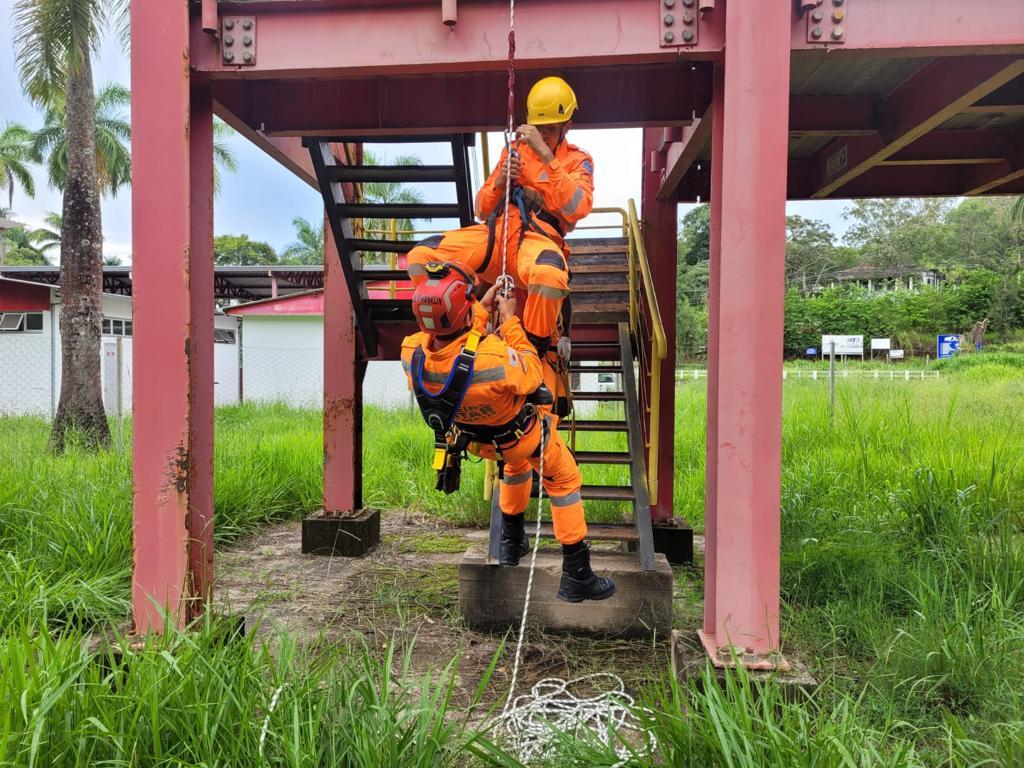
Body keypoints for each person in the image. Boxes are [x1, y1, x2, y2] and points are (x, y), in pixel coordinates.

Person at [400, 261, 615, 603]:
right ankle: (577, 573)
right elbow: (530, 371)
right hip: (521, 437)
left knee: (514, 469)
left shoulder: (411, 353)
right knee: (563, 479)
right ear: (462, 311)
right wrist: (511, 319)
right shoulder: (494, 358)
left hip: (475, 442)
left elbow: (451, 347)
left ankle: (511, 542)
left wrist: (479, 312)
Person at [405, 76, 594, 356]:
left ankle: (533, 351)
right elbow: (481, 209)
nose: (543, 136)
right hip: (496, 238)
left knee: (549, 275)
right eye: (538, 129)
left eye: (551, 130)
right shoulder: (514, 151)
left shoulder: (577, 161)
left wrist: (545, 157)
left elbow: (578, 207)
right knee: (421, 257)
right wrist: (500, 182)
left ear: (567, 126)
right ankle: (452, 332)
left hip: (536, 241)